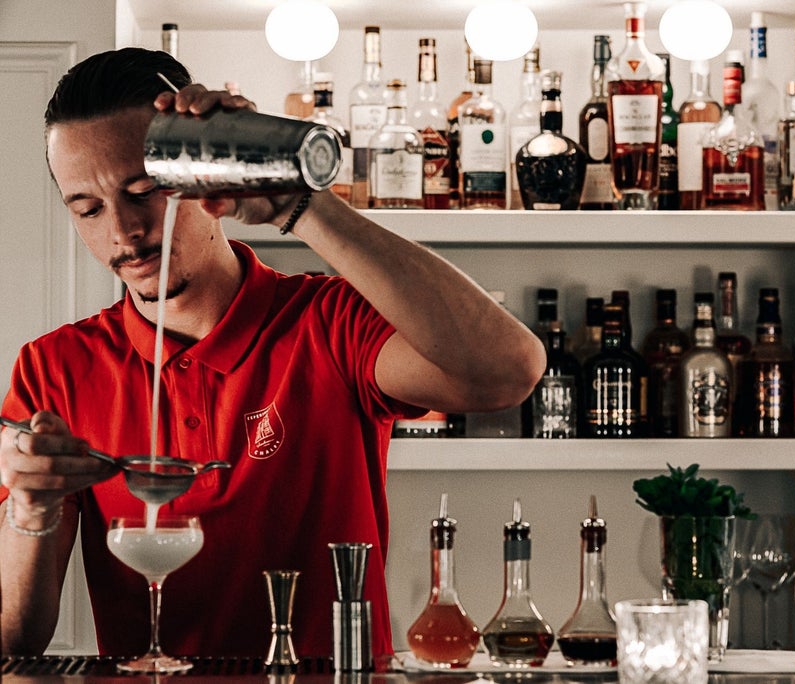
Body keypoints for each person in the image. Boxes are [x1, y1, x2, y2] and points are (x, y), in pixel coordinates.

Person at [0, 47, 545, 666]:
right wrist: (30, 508)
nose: (123, 233)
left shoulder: (330, 322)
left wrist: (300, 203)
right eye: (89, 210)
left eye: (145, 192)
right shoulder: (56, 369)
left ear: (201, 178)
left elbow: (509, 371)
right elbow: (14, 639)